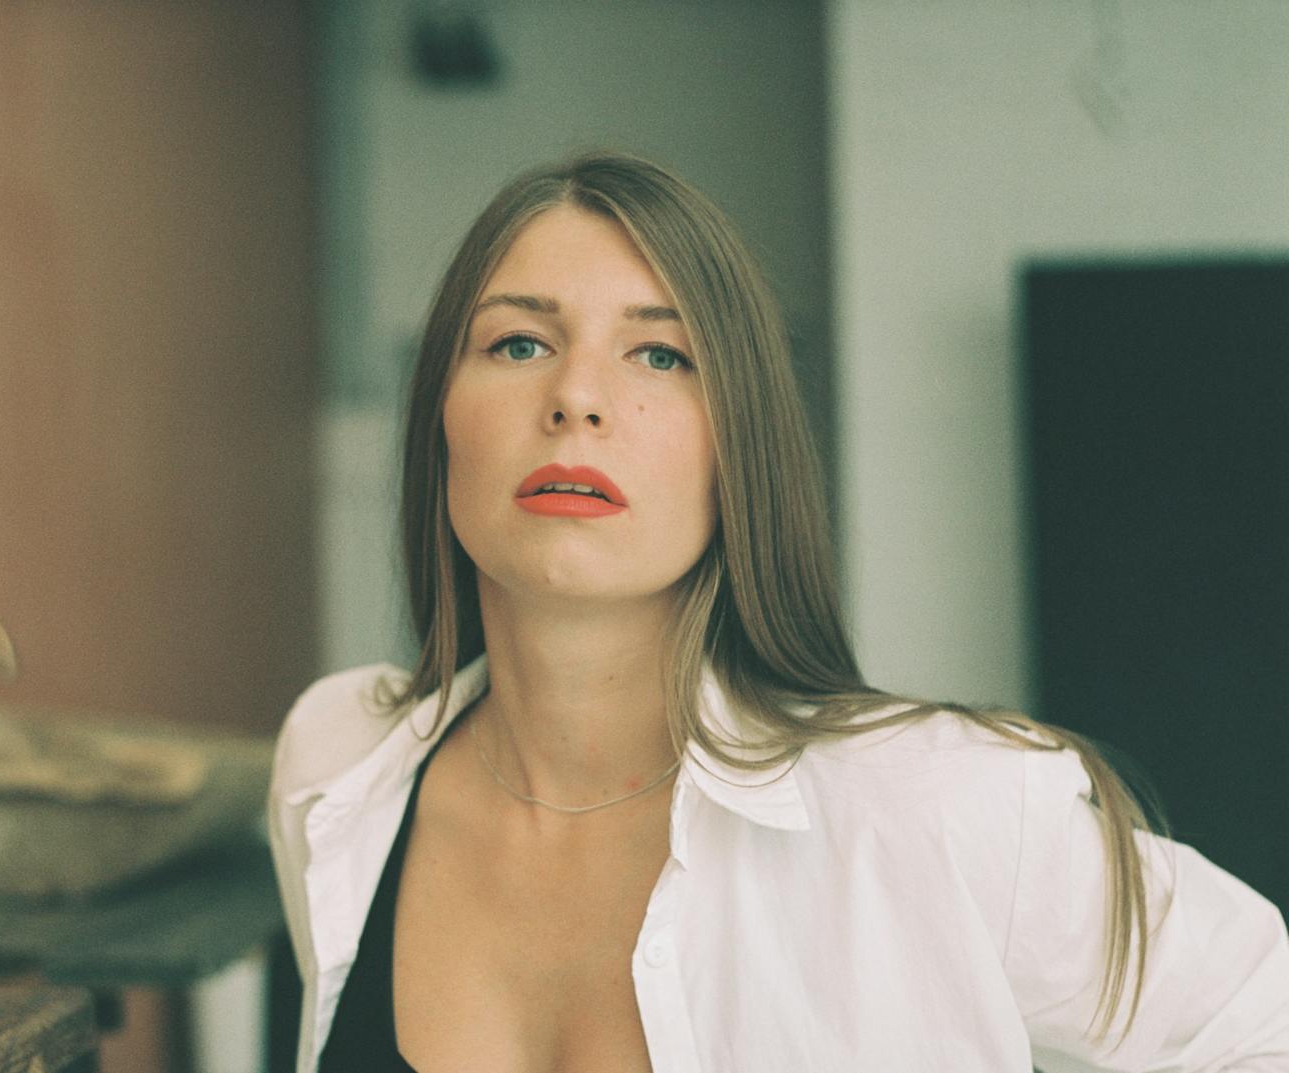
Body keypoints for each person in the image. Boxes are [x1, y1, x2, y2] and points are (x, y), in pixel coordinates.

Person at [267, 152, 1289, 1072]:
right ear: (440, 415)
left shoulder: (939, 805)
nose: (577, 396)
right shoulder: (339, 760)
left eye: (660, 355)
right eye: (520, 342)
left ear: (738, 448)